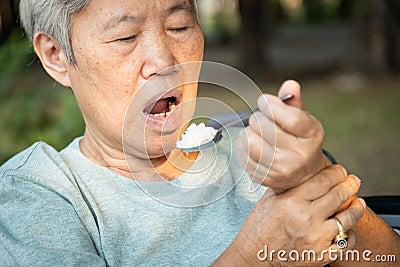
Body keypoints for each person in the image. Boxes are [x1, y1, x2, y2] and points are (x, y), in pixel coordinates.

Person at [0, 0, 398, 266]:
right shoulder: (41, 191)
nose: (164, 61)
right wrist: (256, 256)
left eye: (180, 26)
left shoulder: (262, 148)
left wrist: (311, 182)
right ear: (56, 56)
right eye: (125, 37)